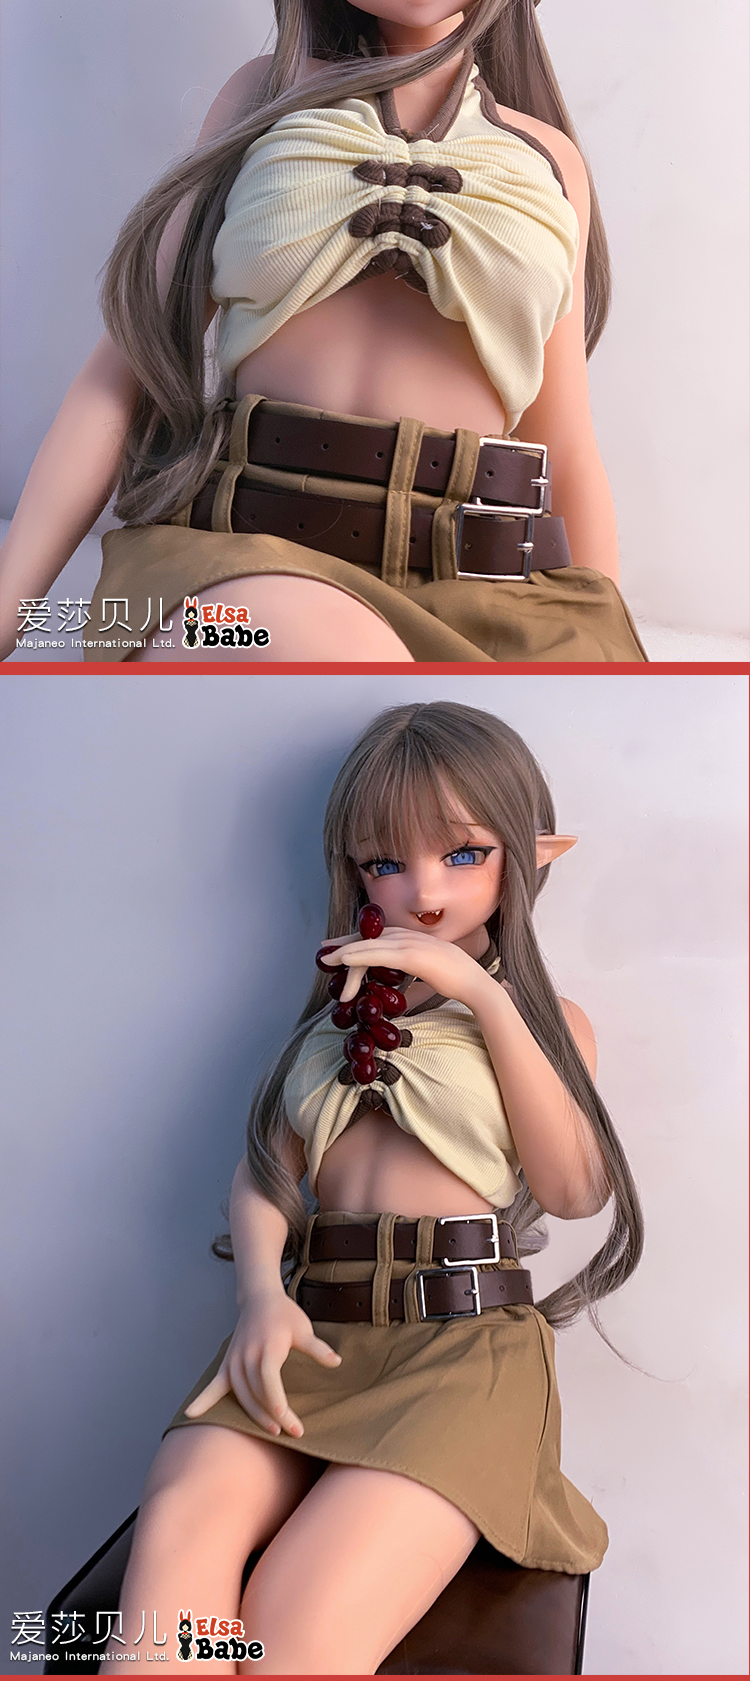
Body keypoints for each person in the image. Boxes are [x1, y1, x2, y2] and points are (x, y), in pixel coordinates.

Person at [0, 0, 646, 668]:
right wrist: (12, 609)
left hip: (483, 595)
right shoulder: (261, 101)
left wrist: (603, 634)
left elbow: (567, 443)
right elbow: (121, 368)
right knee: (292, 641)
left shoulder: (548, 158)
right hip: (227, 583)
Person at [115, 697, 643, 1676]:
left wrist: (483, 993)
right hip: (309, 1332)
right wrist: (260, 1295)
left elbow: (575, 1189)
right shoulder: (332, 1022)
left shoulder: (544, 1021)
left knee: (296, 1630)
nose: (425, 888)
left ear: (535, 855)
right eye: (386, 860)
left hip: (459, 1353)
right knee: (173, 1558)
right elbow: (266, 1171)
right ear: (353, 870)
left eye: (464, 851)